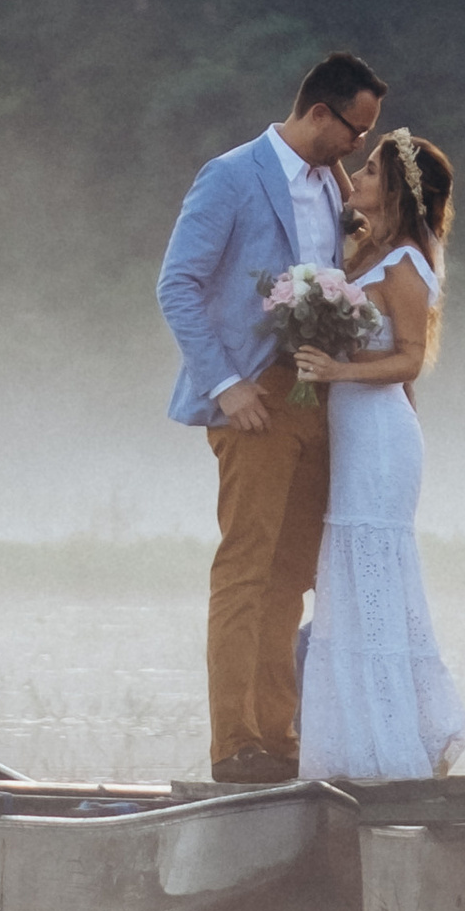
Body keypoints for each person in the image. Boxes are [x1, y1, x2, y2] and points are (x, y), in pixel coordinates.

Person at [155, 48, 387, 785]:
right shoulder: (231, 176)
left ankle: (281, 739)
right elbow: (178, 285)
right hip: (253, 398)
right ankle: (236, 746)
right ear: (319, 112)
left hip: (316, 398)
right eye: (355, 129)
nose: (361, 145)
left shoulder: (332, 184)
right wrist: (225, 384)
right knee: (246, 573)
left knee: (293, 576)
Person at [293, 126, 465, 782]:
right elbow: (344, 188)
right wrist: (331, 152)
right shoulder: (368, 250)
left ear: (394, 190)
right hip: (355, 430)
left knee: (375, 579)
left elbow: (410, 361)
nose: (355, 179)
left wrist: (333, 373)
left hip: (380, 432)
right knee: (351, 582)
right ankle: (351, 745)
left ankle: (399, 746)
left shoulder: (407, 266)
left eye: (369, 171)